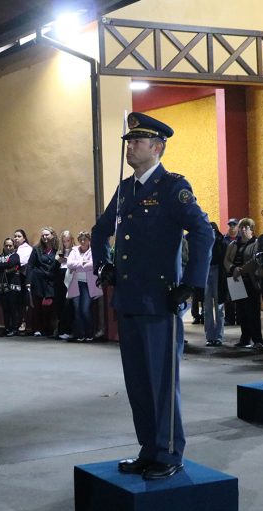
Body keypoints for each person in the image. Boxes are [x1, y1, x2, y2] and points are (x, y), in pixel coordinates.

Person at [91, 112, 213, 480]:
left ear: (157, 147)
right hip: (129, 300)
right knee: (139, 384)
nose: (130, 146)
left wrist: (190, 284)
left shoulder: (172, 187)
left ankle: (170, 453)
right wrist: (103, 265)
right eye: (129, 140)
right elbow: (100, 231)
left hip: (160, 302)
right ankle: (149, 449)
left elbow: (203, 232)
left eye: (138, 141)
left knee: (162, 384)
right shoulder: (126, 188)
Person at [225, 218, 263, 349]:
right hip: (236, 281)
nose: (242, 230)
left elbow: (255, 260)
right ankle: (245, 338)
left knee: (253, 311)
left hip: (250, 281)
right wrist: (233, 269)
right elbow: (227, 260)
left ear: (252, 229)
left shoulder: (256, 243)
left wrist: (241, 270)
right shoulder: (233, 244)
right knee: (241, 311)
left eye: (246, 227)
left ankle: (257, 339)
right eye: (241, 227)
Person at [65, 231, 101, 341]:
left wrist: (79, 264)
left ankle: (89, 334)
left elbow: (93, 264)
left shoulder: (94, 250)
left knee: (85, 309)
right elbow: (69, 264)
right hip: (75, 283)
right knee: (77, 309)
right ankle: (80, 334)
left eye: (85, 239)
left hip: (88, 284)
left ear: (89, 240)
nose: (82, 241)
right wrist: (82, 262)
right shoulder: (74, 250)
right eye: (80, 239)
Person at [26, 227, 60, 337]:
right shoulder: (37, 249)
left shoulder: (57, 250)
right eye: (43, 235)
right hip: (38, 281)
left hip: (51, 281)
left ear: (52, 235)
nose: (44, 237)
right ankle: (37, 329)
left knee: (49, 306)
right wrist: (28, 281)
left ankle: (48, 328)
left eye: (47, 235)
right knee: (37, 306)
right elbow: (30, 266)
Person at [203, 222, 228, 347]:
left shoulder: (221, 241)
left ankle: (218, 337)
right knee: (207, 308)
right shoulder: (203, 240)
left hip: (218, 271)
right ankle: (210, 337)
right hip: (206, 271)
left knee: (219, 307)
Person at [0, 238, 22, 336]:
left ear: (13, 246)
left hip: (12, 286)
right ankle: (7, 327)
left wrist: (0, 266)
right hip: (2, 287)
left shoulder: (15, 256)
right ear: (3, 246)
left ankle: (14, 328)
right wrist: (5, 268)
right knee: (5, 308)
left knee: (13, 308)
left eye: (10, 246)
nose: (8, 247)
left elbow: (12, 263)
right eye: (6, 245)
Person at [55, 230, 75, 339]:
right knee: (60, 305)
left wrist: (67, 260)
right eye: (64, 241)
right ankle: (61, 330)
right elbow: (55, 265)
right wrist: (59, 259)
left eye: (68, 240)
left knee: (69, 305)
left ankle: (69, 330)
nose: (66, 243)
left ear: (71, 240)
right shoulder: (59, 252)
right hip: (60, 279)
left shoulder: (75, 250)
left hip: (71, 278)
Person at [13, 229, 32, 334]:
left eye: (19, 236)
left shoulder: (27, 249)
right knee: (16, 301)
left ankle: (23, 322)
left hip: (23, 277)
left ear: (24, 238)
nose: (16, 238)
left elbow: (21, 262)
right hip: (14, 278)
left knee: (23, 302)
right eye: (15, 236)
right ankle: (16, 322)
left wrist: (11, 263)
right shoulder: (13, 248)